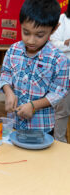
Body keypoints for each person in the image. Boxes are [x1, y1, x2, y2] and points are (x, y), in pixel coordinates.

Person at [0, 0, 70, 134]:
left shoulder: (59, 60)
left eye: (39, 35)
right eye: (26, 32)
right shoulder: (13, 50)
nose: (31, 41)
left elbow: (59, 92)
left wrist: (34, 106)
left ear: (54, 29)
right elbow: (5, 74)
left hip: (41, 128)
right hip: (14, 123)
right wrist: (8, 91)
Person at [50, 2, 70, 142]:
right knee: (62, 111)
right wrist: (67, 44)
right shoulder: (62, 19)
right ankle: (60, 142)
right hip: (65, 74)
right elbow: (53, 44)